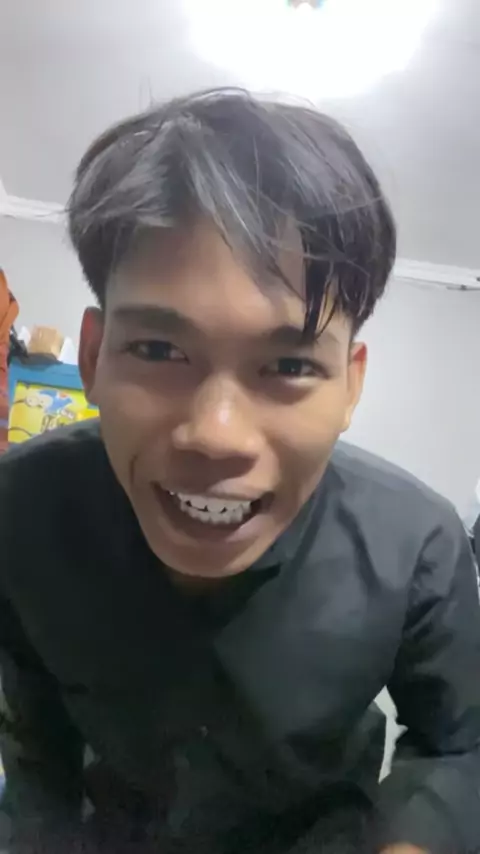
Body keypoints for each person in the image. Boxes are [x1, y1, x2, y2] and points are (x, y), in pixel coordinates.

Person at [0, 88, 479, 854]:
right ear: (92, 357)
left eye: (289, 365)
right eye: (159, 350)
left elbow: (459, 744)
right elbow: (34, 744)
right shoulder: (20, 509)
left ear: (350, 385)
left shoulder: (418, 543)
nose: (216, 436)